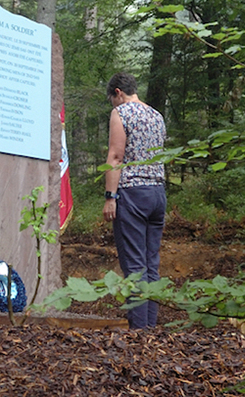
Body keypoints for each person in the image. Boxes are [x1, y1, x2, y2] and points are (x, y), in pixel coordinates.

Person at [102, 72, 167, 329]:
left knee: (135, 266)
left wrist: (110, 197)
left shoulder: (122, 113)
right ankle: (149, 328)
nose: (113, 105)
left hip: (132, 194)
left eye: (112, 99)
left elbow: (116, 156)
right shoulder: (156, 115)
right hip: (157, 194)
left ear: (118, 92)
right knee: (151, 264)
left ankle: (139, 334)